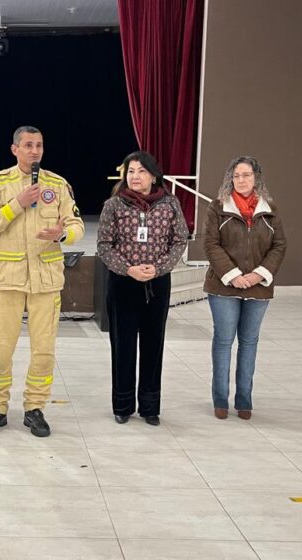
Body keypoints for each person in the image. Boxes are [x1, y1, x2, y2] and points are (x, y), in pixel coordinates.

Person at [0, 125, 85, 437]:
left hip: (46, 282)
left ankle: (35, 409)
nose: (34, 150)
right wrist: (16, 204)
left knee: (44, 351)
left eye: (38, 145)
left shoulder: (57, 184)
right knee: (1, 350)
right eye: (27, 145)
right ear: (15, 149)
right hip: (8, 281)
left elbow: (77, 226)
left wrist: (62, 234)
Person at [96, 151, 188, 426]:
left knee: (153, 345)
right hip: (123, 283)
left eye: (141, 171)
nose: (135, 176)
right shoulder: (114, 205)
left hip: (157, 284)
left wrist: (158, 268)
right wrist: (128, 269)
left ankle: (150, 407)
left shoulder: (170, 204)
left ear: (153, 175)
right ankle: (122, 406)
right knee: (123, 346)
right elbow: (103, 245)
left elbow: (180, 238)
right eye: (131, 171)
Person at [203, 156, 287, 420]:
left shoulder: (270, 208)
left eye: (247, 175)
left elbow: (279, 245)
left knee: (249, 343)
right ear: (230, 178)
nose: (241, 180)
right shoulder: (218, 207)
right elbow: (211, 244)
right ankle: (220, 400)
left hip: (257, 288)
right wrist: (233, 275)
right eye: (237, 175)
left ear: (256, 178)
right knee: (224, 341)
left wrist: (258, 275)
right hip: (223, 287)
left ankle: (244, 401)